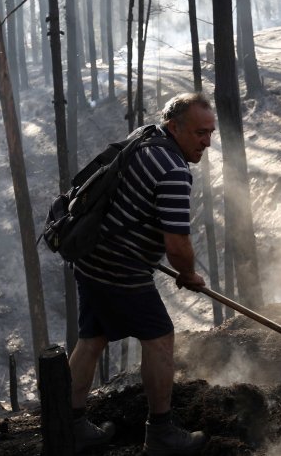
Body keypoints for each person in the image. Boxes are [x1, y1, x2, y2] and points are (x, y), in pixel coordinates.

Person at [68, 92, 214, 455]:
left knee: (91, 339)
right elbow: (177, 244)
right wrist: (189, 275)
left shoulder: (145, 138)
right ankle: (161, 432)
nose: (206, 142)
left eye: (210, 133)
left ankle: (68, 426)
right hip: (120, 268)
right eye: (199, 133)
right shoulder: (174, 171)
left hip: (91, 257)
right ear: (174, 127)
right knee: (160, 337)